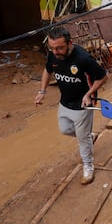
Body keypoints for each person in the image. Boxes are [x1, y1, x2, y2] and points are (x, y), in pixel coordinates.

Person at [34, 27, 108, 185]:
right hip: (65, 102)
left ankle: (88, 165)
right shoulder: (53, 56)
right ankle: (89, 136)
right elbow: (47, 71)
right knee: (65, 129)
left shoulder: (83, 58)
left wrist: (89, 94)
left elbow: (102, 77)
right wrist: (42, 90)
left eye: (60, 47)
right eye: (52, 48)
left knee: (82, 140)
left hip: (83, 104)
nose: (56, 51)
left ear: (70, 43)